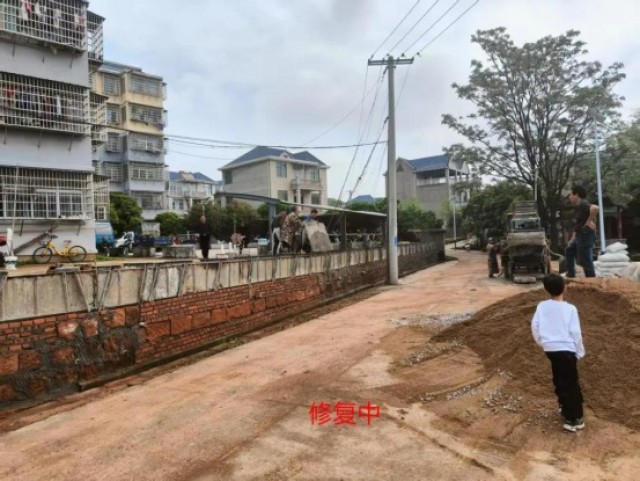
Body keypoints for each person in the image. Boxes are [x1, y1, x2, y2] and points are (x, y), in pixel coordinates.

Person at [531, 273, 586, 432]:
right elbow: (576, 332)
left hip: (551, 349)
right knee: (570, 383)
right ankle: (574, 419)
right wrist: (579, 351)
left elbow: (535, 326)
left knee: (559, 377)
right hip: (566, 349)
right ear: (565, 288)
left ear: (546, 289)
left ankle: (563, 405)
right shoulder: (570, 309)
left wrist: (543, 343)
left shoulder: (542, 306)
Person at [565, 185, 598, 278]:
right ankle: (571, 273)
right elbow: (578, 225)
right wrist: (572, 240)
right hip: (580, 235)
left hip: (585, 235)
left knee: (585, 259)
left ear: (576, 195)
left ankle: (591, 279)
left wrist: (588, 221)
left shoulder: (583, 204)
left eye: (571, 194)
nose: (569, 197)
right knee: (569, 250)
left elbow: (595, 208)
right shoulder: (578, 207)